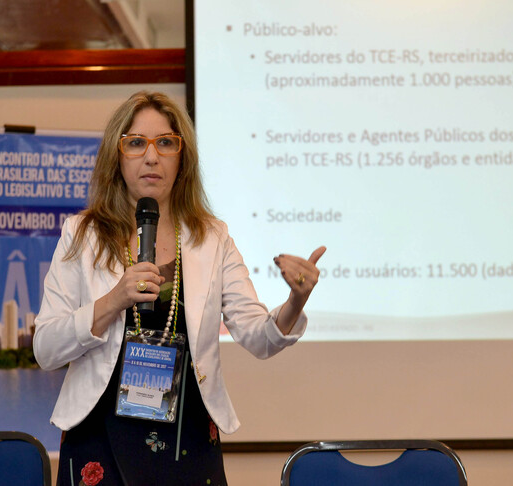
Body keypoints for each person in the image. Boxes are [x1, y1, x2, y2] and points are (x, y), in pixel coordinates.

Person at [34, 91, 325, 486]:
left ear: (182, 157)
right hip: (99, 437)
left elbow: (258, 337)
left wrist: (295, 301)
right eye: (136, 143)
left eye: (166, 143)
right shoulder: (82, 234)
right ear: (116, 156)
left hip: (188, 437)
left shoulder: (212, 238)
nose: (152, 157)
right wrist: (113, 300)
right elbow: (46, 348)